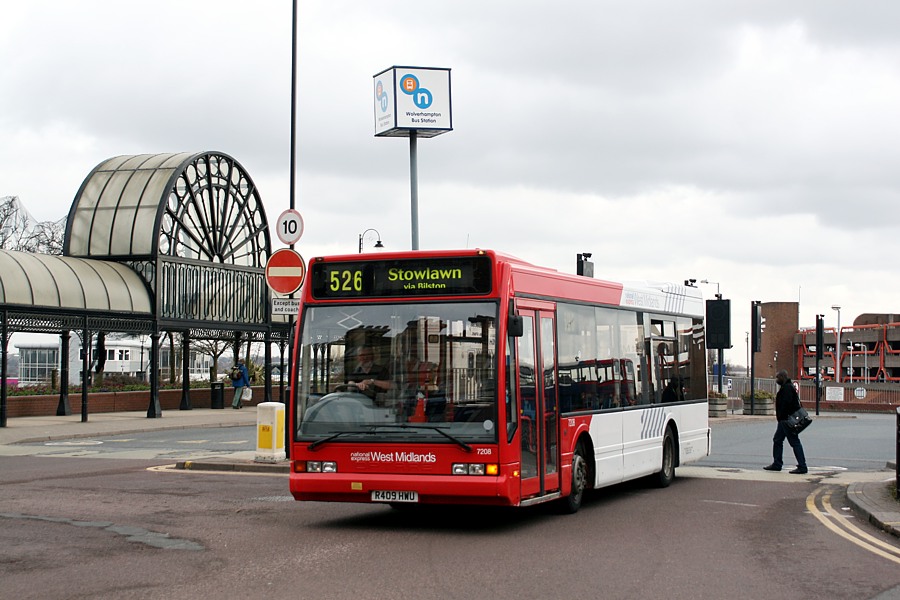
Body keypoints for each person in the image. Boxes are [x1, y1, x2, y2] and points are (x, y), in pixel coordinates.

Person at [764, 369, 808, 474]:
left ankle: (802, 466)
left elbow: (786, 404)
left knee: (794, 442)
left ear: (782, 377)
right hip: (784, 420)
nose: (776, 380)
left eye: (777, 377)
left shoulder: (787, 388)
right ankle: (777, 463)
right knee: (777, 440)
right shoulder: (787, 387)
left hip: (787, 420)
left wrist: (782, 416)